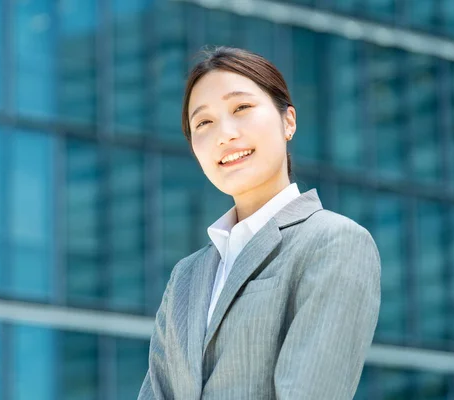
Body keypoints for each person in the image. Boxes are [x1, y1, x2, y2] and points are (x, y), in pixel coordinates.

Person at [138, 46, 381, 399]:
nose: (225, 134)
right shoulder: (185, 277)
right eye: (204, 122)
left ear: (288, 121)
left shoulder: (334, 241)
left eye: (242, 108)